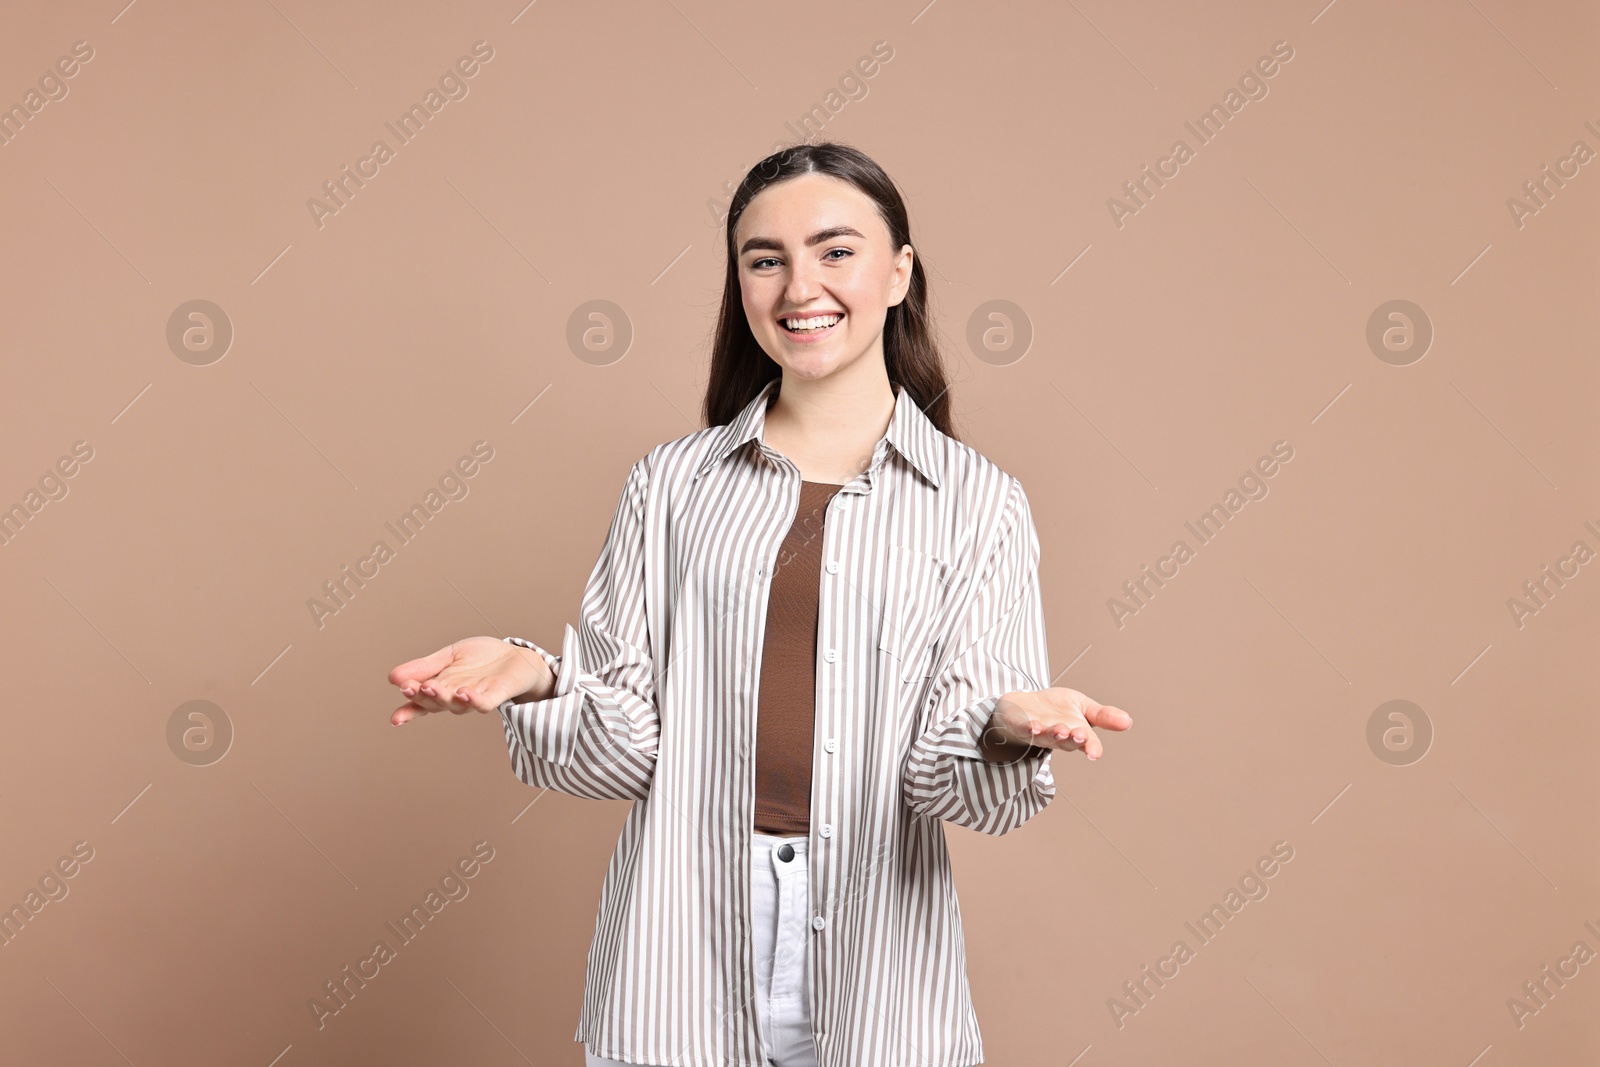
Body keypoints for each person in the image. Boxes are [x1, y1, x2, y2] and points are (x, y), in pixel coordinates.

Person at [387, 141, 1133, 1067]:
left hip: (880, 969)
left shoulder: (980, 505)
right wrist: (542, 677)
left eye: (835, 251)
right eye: (764, 259)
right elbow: (621, 752)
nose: (798, 288)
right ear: (740, 285)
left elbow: (955, 788)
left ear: (899, 272)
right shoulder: (671, 485)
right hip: (678, 958)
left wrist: (1004, 722)